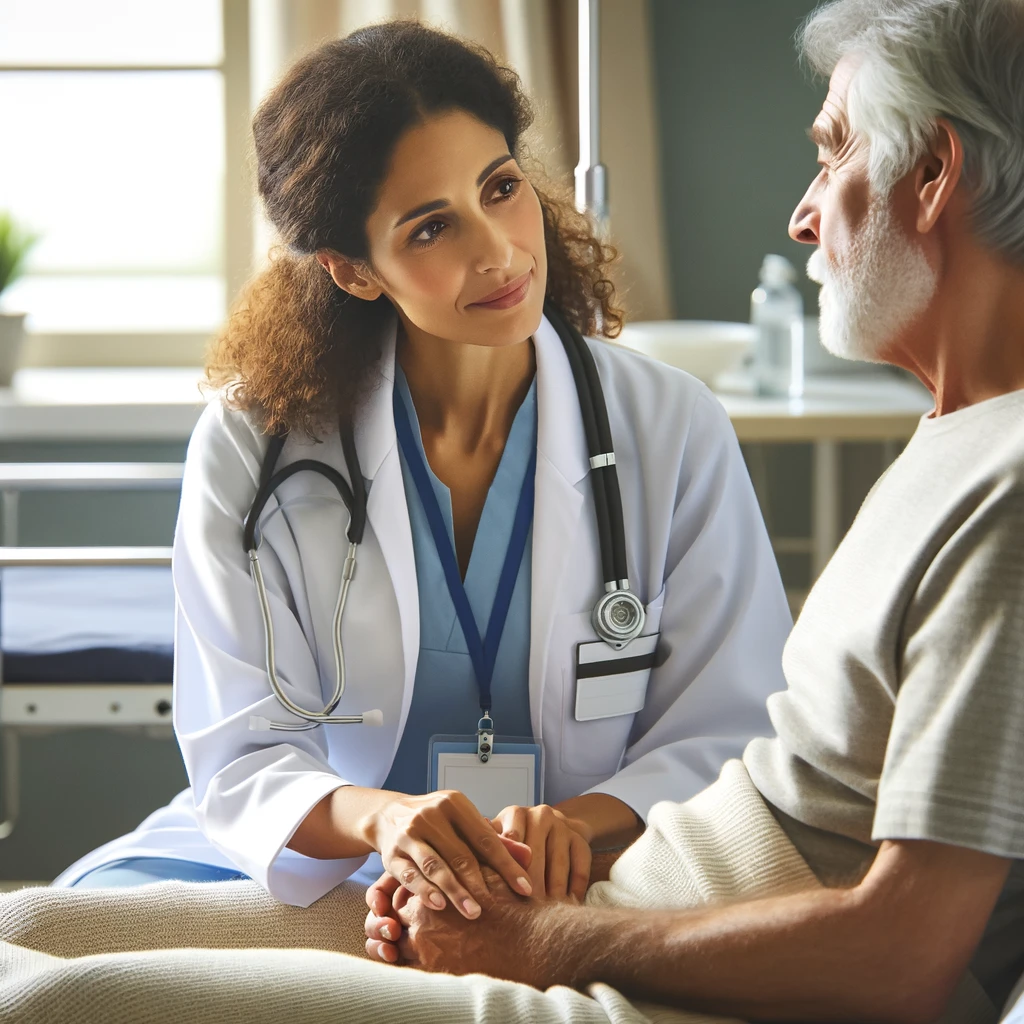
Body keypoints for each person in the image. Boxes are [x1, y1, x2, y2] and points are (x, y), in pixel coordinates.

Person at [357, 1, 1024, 1020]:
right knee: (34, 940)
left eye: (833, 151)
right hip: (633, 915)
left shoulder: (1009, 492)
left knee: (63, 995)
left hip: (661, 981)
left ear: (932, 175)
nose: (803, 213)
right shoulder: (956, 439)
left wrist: (538, 941)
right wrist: (518, 891)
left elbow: (903, 954)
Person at [51, 20, 791, 916]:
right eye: (433, 226)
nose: (499, 251)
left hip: (593, 866)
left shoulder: (670, 425)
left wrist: (581, 825)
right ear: (353, 270)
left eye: (502, 188)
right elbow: (240, 754)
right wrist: (386, 824)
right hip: (330, 865)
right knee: (49, 928)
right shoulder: (256, 443)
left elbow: (730, 720)